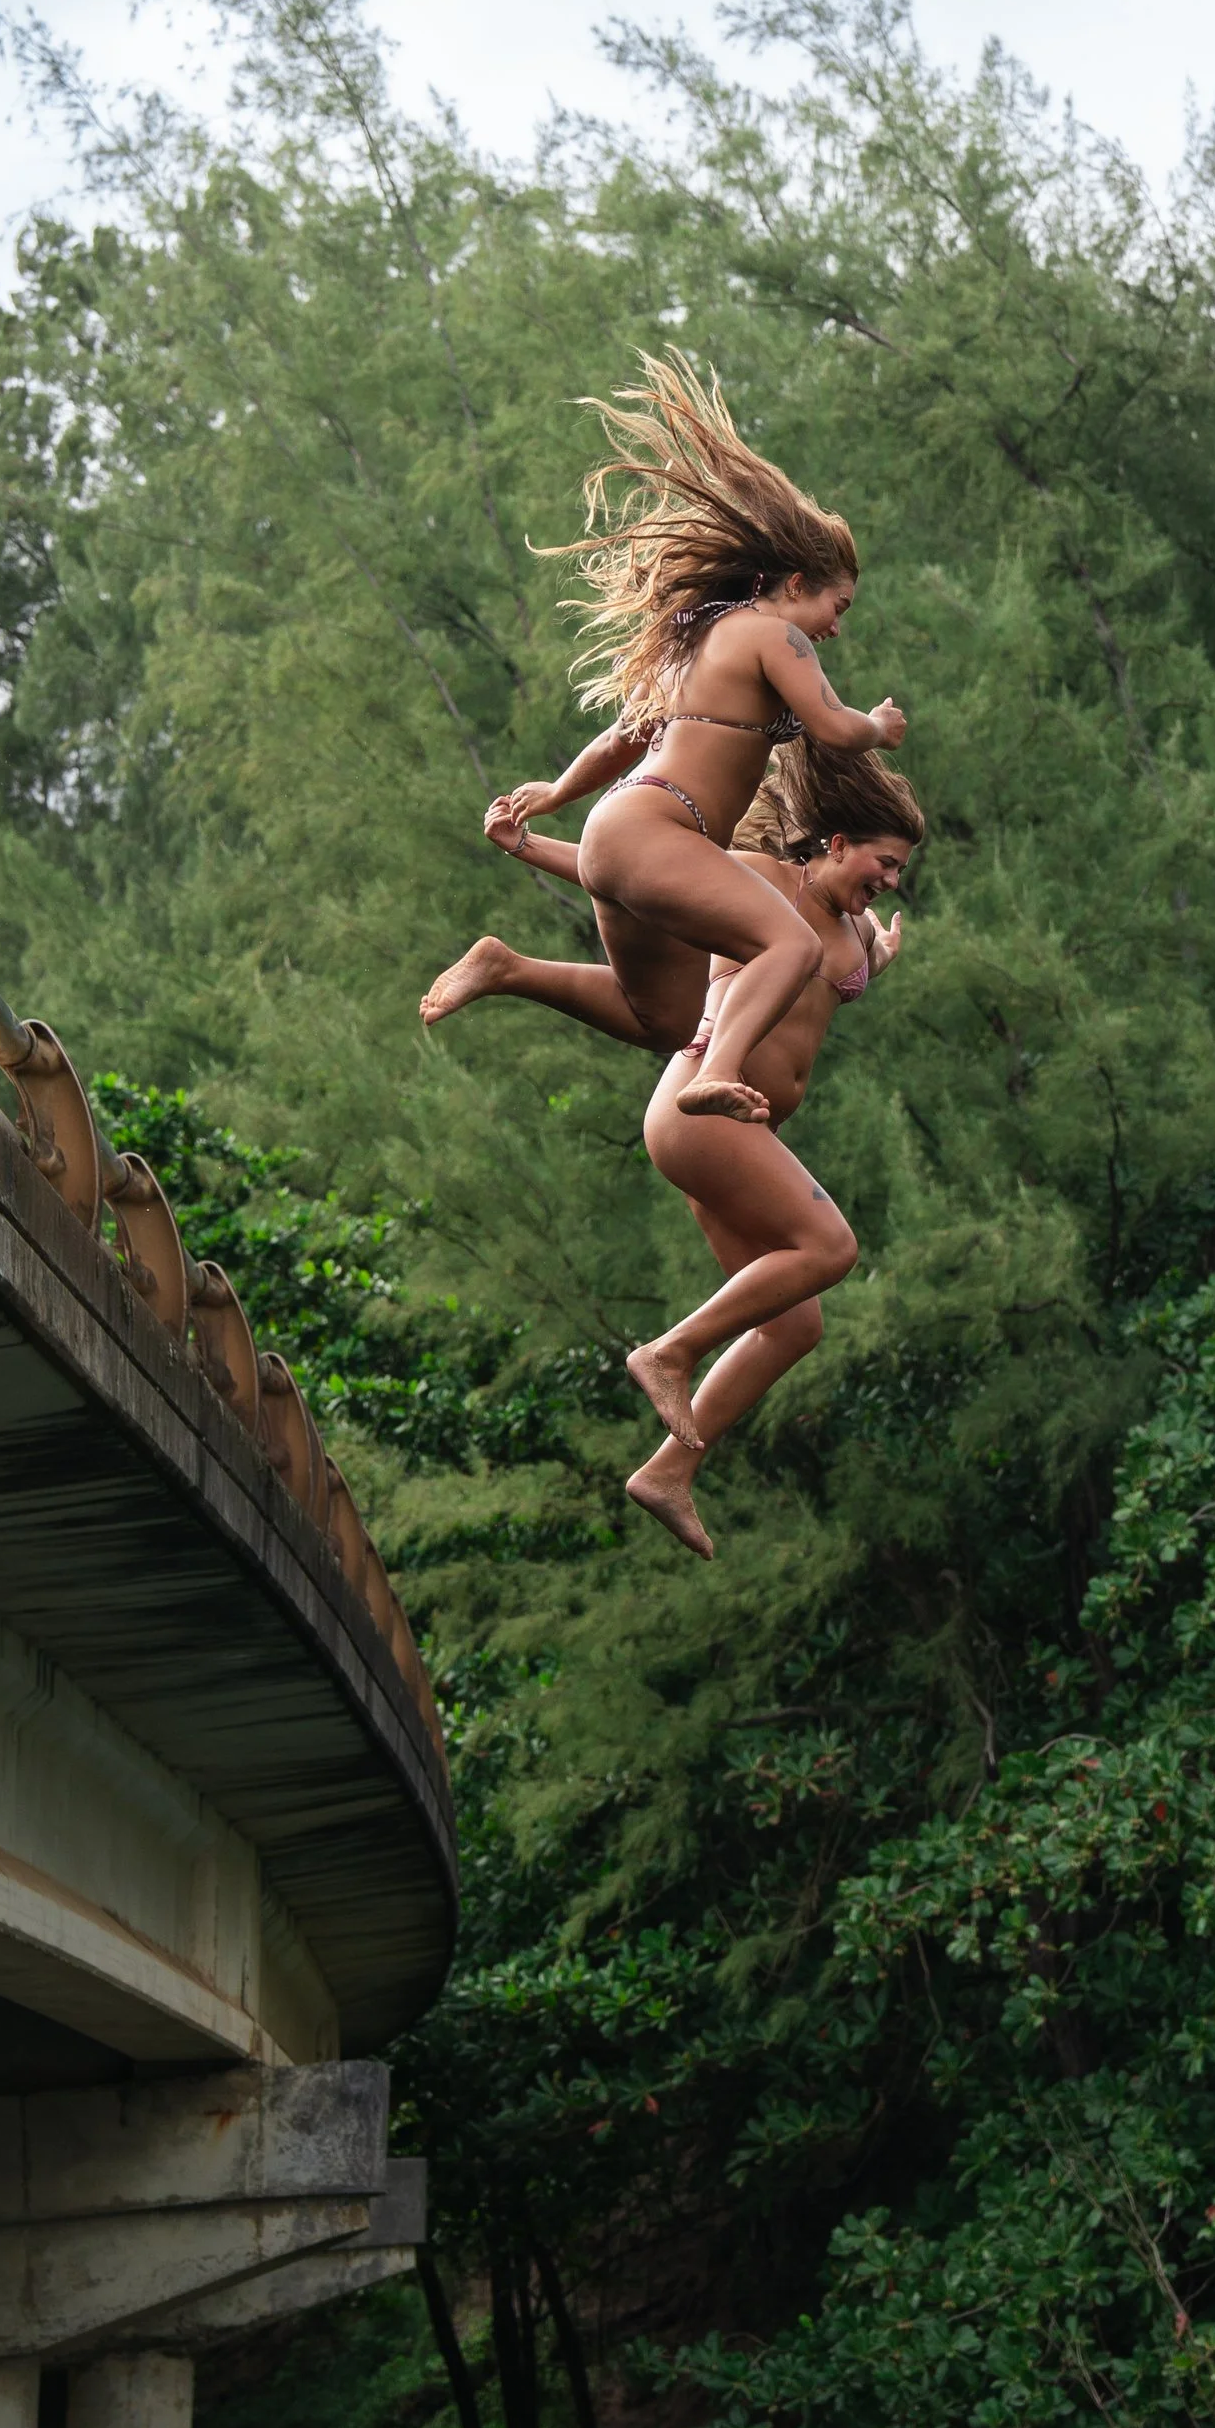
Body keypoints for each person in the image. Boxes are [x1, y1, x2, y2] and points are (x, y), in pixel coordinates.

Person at [417, 354, 905, 1126]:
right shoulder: (776, 636)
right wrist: (878, 725)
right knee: (792, 950)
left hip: (621, 829)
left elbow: (624, 734)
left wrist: (554, 795)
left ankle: (507, 968)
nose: (836, 627)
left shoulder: (707, 645)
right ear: (794, 583)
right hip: (658, 827)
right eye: (836, 606)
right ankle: (718, 1070)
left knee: (666, 1019)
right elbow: (836, 731)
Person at [623, 746, 923, 1560]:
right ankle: (670, 1352)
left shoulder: (854, 925)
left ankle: (669, 1473)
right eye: (883, 862)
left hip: (739, 1133)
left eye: (898, 870)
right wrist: (544, 845)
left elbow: (839, 976)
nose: (890, 880)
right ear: (833, 842)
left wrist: (878, 958)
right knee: (831, 1246)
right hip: (700, 1107)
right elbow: (636, 865)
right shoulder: (758, 878)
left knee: (794, 1327)